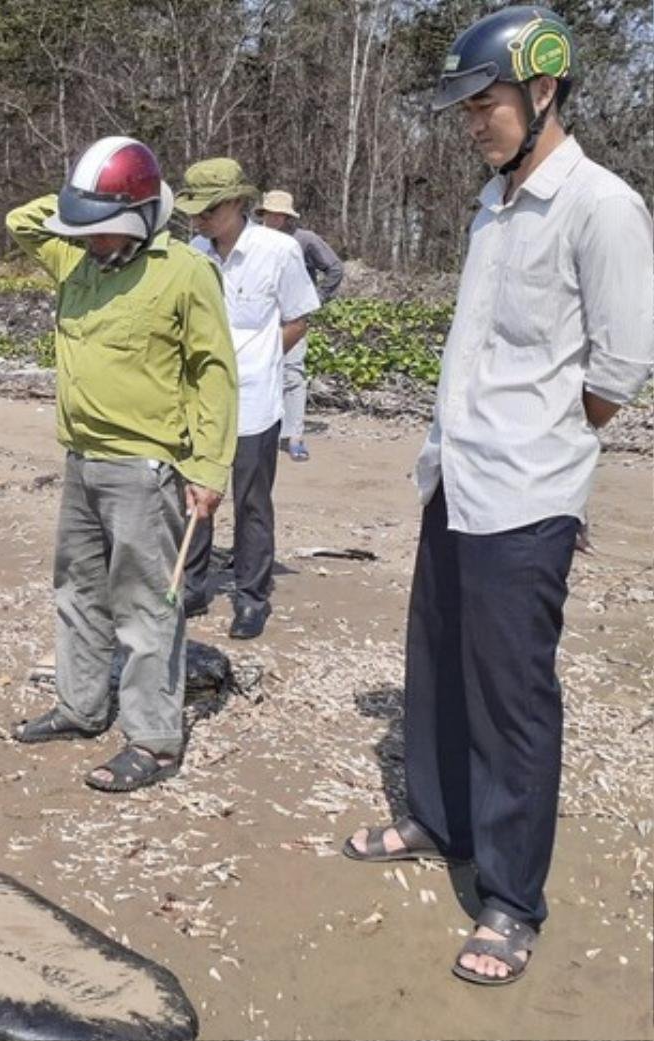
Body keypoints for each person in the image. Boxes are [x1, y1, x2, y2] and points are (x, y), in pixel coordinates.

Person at [343, 6, 653, 986]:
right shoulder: (494, 200)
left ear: (545, 90)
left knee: (514, 696)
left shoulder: (600, 204)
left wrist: (545, 442)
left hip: (528, 491)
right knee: (435, 662)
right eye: (466, 107)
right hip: (457, 474)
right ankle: (440, 819)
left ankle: (513, 898)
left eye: (487, 103)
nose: (474, 121)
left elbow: (621, 368)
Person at [6, 136, 237, 792]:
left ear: (141, 219)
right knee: (77, 591)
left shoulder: (185, 273)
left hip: (145, 469)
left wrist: (210, 470)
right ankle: (80, 706)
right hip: (80, 461)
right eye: (84, 231)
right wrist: (85, 202)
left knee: (145, 606)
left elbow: (214, 374)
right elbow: (20, 220)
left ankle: (154, 739)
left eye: (103, 232)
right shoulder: (73, 256)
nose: (90, 243)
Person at [175, 159, 320, 638]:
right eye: (194, 211)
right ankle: (193, 586)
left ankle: (251, 596)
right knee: (196, 491)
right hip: (200, 402)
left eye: (209, 210)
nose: (201, 220)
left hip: (256, 400)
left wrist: (264, 361)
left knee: (252, 501)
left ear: (238, 203)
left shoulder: (278, 251)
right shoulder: (195, 252)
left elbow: (298, 318)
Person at [255, 190, 344, 462]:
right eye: (270, 213)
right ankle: (260, 433)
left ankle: (294, 436)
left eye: (279, 214)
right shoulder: (253, 238)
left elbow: (335, 268)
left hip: (293, 318)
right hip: (259, 316)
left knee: (293, 374)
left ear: (287, 216)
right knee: (258, 372)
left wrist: (315, 300)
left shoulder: (305, 240)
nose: (274, 218)